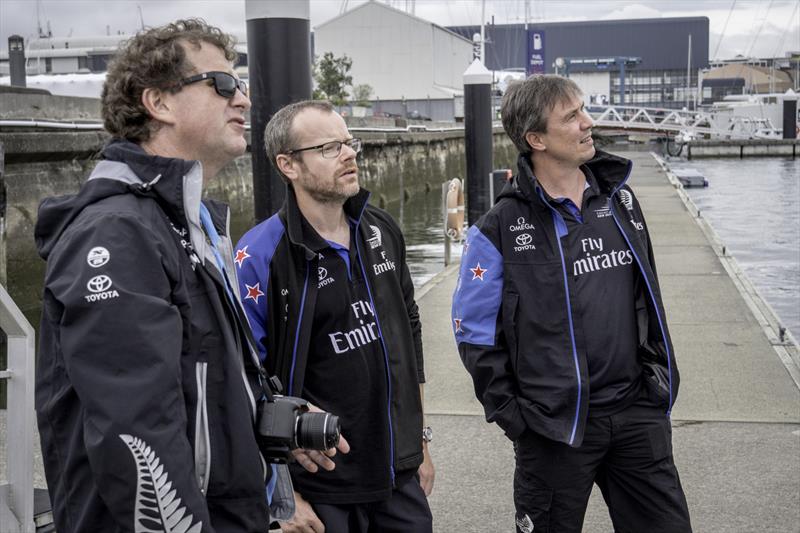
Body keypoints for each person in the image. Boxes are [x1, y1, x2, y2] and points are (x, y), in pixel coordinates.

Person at [34, 19, 345, 532]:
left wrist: (261, 418)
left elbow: (198, 383)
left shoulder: (186, 221)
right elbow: (136, 435)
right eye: (223, 84)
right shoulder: (118, 234)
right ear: (158, 103)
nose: (243, 98)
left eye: (240, 84)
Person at [452, 75, 692, 533]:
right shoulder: (498, 228)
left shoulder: (619, 199)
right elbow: (473, 332)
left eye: (583, 110)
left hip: (636, 411)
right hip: (554, 430)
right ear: (536, 139)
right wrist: (516, 418)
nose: (588, 123)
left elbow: (648, 293)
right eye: (572, 116)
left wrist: (657, 379)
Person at [235, 100, 435, 533]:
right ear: (288, 164)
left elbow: (409, 332)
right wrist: (281, 493)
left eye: (349, 142)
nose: (349, 154)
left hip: (398, 475)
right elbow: (242, 379)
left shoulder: (380, 230)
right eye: (329, 147)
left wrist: (418, 441)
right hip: (322, 489)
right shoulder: (260, 255)